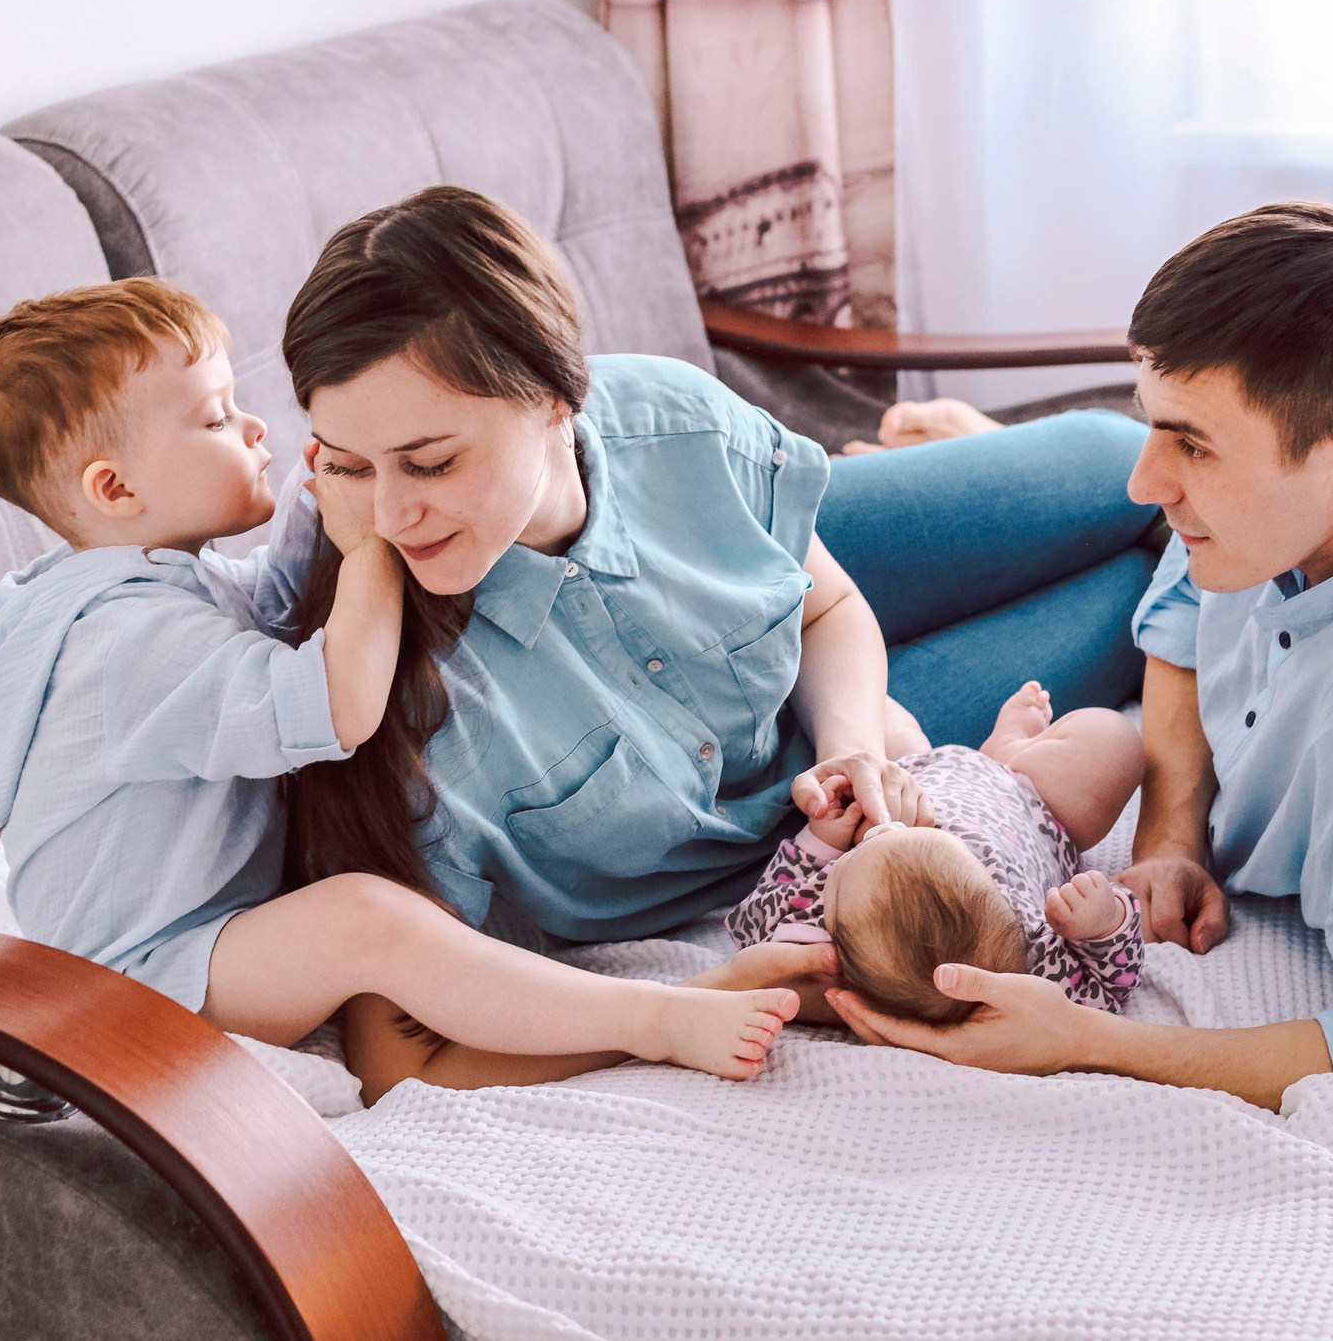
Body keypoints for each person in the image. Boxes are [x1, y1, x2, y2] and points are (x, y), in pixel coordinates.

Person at [271, 188, 1166, 1093]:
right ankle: (911, 453)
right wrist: (688, 1004)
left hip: (790, 670)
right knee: (1136, 594)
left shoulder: (674, 423)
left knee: (1111, 462)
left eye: (429, 461)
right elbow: (401, 1055)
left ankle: (910, 449)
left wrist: (853, 748)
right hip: (798, 837)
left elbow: (823, 607)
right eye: (345, 465)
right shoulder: (385, 688)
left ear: (551, 397)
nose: (387, 513)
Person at [828, 203, 1333, 1111]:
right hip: (1274, 525)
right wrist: (1172, 828)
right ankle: (1009, 459)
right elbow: (1187, 601)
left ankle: (1013, 475)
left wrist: (1085, 1040)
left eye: (1191, 444)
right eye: (1159, 424)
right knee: (1134, 512)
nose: (1147, 477)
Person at [0, 278, 797, 1093]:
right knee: (365, 919)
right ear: (115, 488)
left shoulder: (154, 589)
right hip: (141, 985)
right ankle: (652, 1017)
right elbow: (337, 700)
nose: (254, 427)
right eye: (215, 417)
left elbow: (277, 613)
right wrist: (365, 552)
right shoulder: (121, 642)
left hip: (194, 949)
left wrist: (346, 483)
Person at [724, 683, 1149, 1026]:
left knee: (871, 703)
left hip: (907, 777)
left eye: (859, 849)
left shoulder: (817, 929)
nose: (884, 831)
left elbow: (753, 923)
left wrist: (823, 842)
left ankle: (980, 749)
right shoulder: (1031, 968)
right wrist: (1103, 924)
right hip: (1027, 797)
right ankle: (1009, 749)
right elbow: (1111, 985)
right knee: (1114, 739)